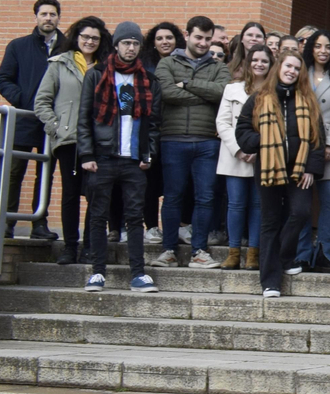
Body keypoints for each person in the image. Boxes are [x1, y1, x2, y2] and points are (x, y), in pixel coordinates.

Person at [77, 22, 160, 293]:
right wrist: (87, 154)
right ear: (116, 45)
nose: (131, 47)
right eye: (126, 43)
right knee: (98, 215)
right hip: (102, 157)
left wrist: (148, 153)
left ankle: (138, 274)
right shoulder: (98, 75)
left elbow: (154, 122)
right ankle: (97, 272)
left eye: (135, 43)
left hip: (134, 159)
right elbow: (85, 118)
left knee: (135, 217)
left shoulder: (148, 79)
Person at [238, 48, 325, 299]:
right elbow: (242, 131)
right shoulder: (258, 98)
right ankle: (270, 282)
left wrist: (312, 168)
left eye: (297, 68)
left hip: (299, 170)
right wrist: (262, 140)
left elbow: (318, 138)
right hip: (268, 167)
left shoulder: (308, 100)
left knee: (300, 212)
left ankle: (283, 256)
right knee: (270, 222)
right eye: (288, 66)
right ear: (279, 68)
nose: (292, 71)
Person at [148, 15, 229, 269]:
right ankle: (169, 250)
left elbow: (222, 92)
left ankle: (199, 252)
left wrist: (187, 83)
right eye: (198, 37)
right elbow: (167, 93)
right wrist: (203, 93)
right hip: (173, 139)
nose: (203, 43)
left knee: (205, 198)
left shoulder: (219, 67)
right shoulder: (167, 63)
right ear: (187, 36)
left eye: (207, 39)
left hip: (207, 141)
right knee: (173, 197)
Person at [33, 16, 105, 266]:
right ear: (77, 37)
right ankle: (70, 246)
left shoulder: (105, 67)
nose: (89, 41)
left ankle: (89, 247)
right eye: (85, 36)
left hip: (99, 142)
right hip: (69, 140)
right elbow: (41, 101)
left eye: (95, 38)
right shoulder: (59, 64)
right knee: (70, 195)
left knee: (95, 196)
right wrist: (56, 127)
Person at [0, 0, 64, 242]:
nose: (48, 18)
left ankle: (39, 224)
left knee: (45, 173)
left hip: (53, 123)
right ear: (36, 17)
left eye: (52, 14)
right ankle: (6, 223)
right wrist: (24, 100)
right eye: (44, 14)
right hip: (23, 119)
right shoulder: (18, 46)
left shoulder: (67, 48)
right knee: (14, 172)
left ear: (59, 17)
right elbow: (3, 79)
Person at [296, 31, 330, 272]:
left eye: (327, 47)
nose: (322, 51)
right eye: (317, 46)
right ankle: (301, 254)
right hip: (301, 146)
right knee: (302, 201)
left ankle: (326, 254)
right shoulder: (300, 72)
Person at [214, 44, 271, 271]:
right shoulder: (232, 88)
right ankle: (233, 252)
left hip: (264, 156)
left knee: (258, 205)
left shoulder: (273, 91)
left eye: (264, 61)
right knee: (236, 205)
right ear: (248, 63)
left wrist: (258, 150)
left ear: (270, 65)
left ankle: (253, 255)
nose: (259, 64)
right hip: (235, 155)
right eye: (255, 60)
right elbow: (222, 122)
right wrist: (240, 149)